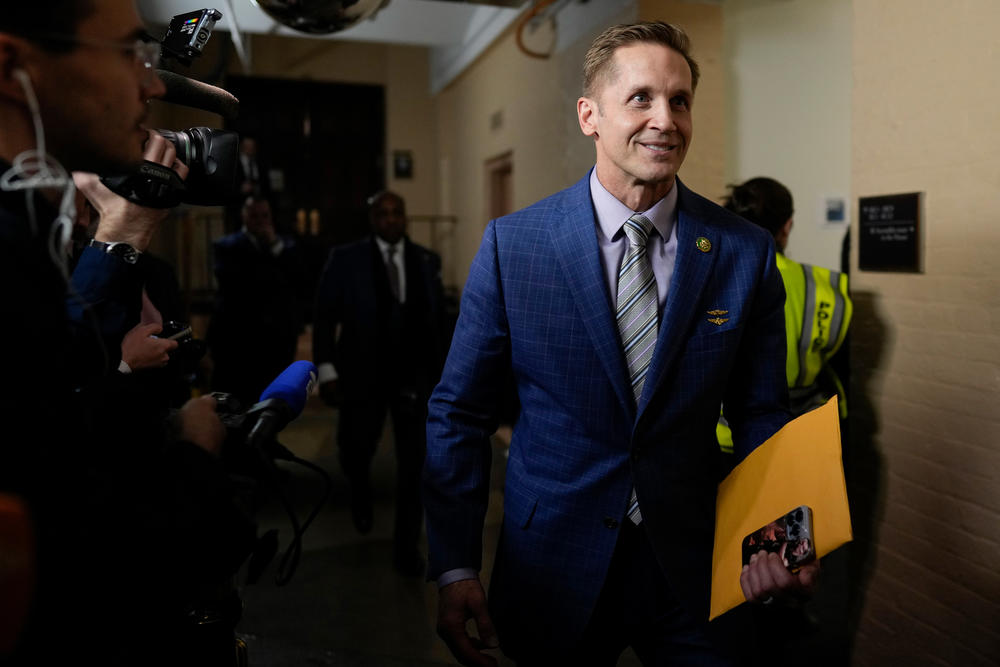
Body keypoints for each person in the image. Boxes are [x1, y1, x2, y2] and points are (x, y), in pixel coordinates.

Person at [423, 21, 821, 666]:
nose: (665, 119)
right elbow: (460, 414)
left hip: (695, 558)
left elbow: (762, 411)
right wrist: (454, 565)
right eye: (641, 97)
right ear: (591, 115)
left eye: (680, 100)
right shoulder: (513, 247)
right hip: (551, 558)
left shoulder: (743, 252)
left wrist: (788, 537)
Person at [0, 2, 254, 663]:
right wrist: (196, 454)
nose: (148, 85)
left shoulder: (31, 232)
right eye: (126, 54)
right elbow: (79, 537)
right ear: (11, 65)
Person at [313, 190, 446, 576]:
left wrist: (443, 378)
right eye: (382, 214)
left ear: (405, 217)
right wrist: (326, 369)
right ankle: (359, 493)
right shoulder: (345, 260)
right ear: (372, 220)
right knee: (355, 448)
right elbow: (323, 318)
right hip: (361, 374)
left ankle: (406, 547)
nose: (390, 220)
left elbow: (436, 325)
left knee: (415, 464)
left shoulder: (426, 261)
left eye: (396, 213)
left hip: (413, 380)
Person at [717, 177, 853, 452]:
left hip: (722, 436)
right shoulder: (826, 286)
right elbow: (836, 361)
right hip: (806, 432)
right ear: (787, 225)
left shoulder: (710, 274)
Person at [208, 195, 303, 409]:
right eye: (254, 215)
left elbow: (298, 279)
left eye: (264, 215)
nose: (260, 220)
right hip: (239, 341)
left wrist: (274, 246)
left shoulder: (285, 246)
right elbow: (238, 283)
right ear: (244, 216)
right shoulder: (226, 247)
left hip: (277, 340)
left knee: (271, 403)